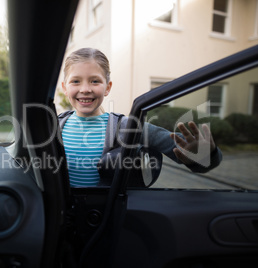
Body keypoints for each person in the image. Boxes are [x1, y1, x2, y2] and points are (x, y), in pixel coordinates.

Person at [59, 48, 222, 187]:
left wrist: (203, 154)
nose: (85, 89)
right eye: (76, 81)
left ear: (107, 87)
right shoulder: (54, 125)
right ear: (65, 88)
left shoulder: (129, 127)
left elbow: (205, 164)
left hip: (110, 219)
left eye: (95, 81)